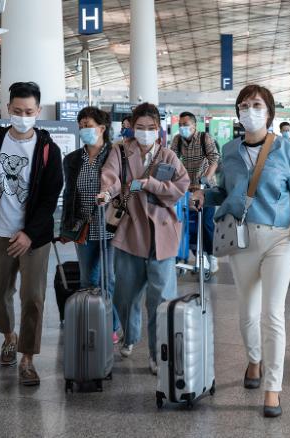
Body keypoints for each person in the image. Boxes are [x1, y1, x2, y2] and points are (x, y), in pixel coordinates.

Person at [192, 84, 290, 418]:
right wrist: (208, 196)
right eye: (244, 105)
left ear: (270, 112)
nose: (250, 110)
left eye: (257, 104)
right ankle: (254, 359)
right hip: (241, 239)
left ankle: (273, 388)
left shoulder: (287, 149)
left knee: (273, 314)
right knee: (248, 314)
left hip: (280, 238)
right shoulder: (229, 151)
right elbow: (226, 193)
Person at [0, 81, 63, 386]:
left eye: (29, 111)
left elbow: (49, 197)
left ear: (38, 111)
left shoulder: (47, 150)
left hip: (34, 239)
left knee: (33, 298)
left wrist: (29, 233)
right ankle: (9, 337)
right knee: (1, 294)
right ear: (8, 109)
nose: (22, 116)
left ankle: (28, 358)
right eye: (17, 111)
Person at [98, 102, 190, 375]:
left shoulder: (168, 156)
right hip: (130, 231)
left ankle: (157, 353)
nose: (146, 133)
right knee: (125, 296)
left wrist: (151, 184)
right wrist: (107, 192)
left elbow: (180, 187)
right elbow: (111, 178)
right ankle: (129, 336)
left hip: (162, 235)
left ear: (159, 130)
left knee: (161, 300)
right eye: (140, 128)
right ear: (131, 127)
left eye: (151, 128)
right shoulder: (120, 151)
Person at [61, 106, 120, 343]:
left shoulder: (116, 154)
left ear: (102, 128)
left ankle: (111, 325)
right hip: (83, 226)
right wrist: (66, 226)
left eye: (89, 125)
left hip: (110, 225)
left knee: (109, 278)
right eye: (81, 125)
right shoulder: (73, 159)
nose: (84, 129)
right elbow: (69, 194)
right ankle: (91, 320)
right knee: (88, 279)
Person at [170, 111, 221, 273]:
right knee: (188, 225)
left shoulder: (204, 138)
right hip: (186, 189)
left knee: (205, 224)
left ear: (194, 125)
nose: (183, 127)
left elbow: (214, 159)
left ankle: (212, 256)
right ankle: (191, 255)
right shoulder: (177, 140)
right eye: (180, 125)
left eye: (186, 124)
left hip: (206, 189)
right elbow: (172, 160)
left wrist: (205, 179)